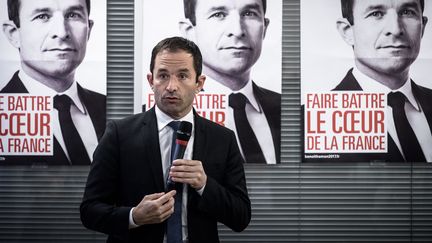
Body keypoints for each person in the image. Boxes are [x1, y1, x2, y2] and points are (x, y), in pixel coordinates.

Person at [80, 37, 251, 242]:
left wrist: (205, 185)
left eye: (182, 76)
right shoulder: (119, 134)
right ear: (151, 81)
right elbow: (89, 211)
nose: (171, 86)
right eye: (163, 75)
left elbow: (241, 217)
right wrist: (134, 216)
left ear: (199, 83)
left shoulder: (223, 139)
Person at [316, 0, 431, 162]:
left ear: (423, 27)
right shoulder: (306, 126)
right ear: (347, 31)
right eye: (376, 14)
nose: (396, 29)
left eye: (407, 12)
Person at [0, 0, 106, 165]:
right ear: (13, 34)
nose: (62, 32)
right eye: (43, 16)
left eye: (73, 15)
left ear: (89, 30)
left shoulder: (110, 109)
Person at [179, 0, 281, 164]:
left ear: (265, 27)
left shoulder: (291, 112)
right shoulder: (162, 115)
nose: (238, 30)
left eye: (249, 13)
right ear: (189, 31)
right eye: (218, 14)